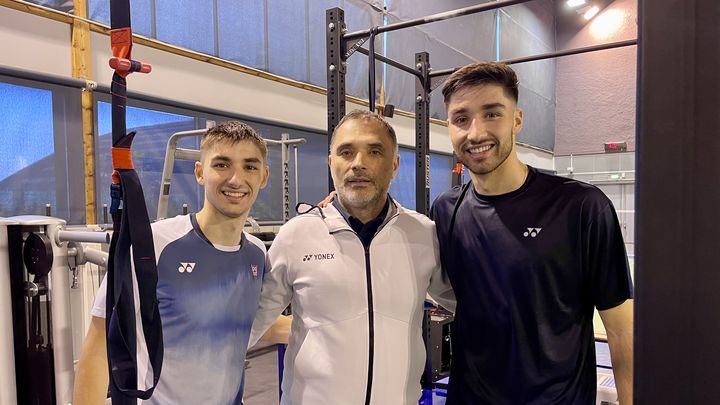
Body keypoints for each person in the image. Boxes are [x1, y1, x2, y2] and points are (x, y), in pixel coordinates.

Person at [430, 62, 634, 404]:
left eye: (492, 114)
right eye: (461, 119)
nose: (476, 132)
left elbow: (621, 328)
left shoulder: (581, 206)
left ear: (517, 120)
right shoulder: (446, 210)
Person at [248, 110, 455, 404]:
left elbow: (469, 305)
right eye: (346, 152)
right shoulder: (296, 236)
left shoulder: (422, 234)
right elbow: (249, 324)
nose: (358, 164)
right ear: (332, 163)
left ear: (394, 165)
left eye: (374, 151)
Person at [73, 121, 287, 404]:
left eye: (250, 166)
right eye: (222, 165)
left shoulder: (257, 254)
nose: (236, 179)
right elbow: (100, 343)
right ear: (200, 172)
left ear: (263, 176)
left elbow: (248, 326)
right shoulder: (154, 244)